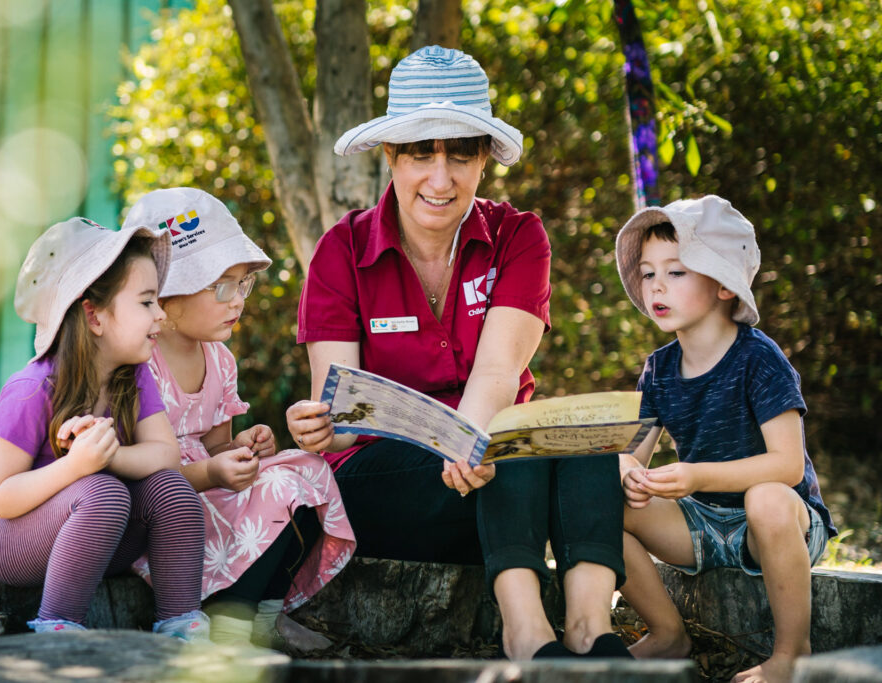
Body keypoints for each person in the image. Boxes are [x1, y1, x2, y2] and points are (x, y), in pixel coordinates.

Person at [285, 45, 630, 660]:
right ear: (391, 155)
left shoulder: (520, 236)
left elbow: (499, 371)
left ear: (483, 161)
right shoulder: (341, 250)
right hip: (387, 488)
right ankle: (526, 634)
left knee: (578, 437)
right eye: (421, 152)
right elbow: (340, 420)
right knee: (509, 444)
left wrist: (467, 441)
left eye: (460, 153)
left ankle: (591, 633)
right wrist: (316, 426)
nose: (439, 178)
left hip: (493, 481)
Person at [614, 195, 837, 682]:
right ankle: (669, 634)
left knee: (767, 499)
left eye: (675, 272)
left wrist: (696, 475)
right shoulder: (659, 369)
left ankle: (790, 655)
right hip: (700, 523)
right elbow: (632, 453)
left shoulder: (758, 359)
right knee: (602, 500)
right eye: (648, 273)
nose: (656, 286)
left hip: (777, 526)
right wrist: (631, 475)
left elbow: (787, 466)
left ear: (722, 285)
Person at [122, 188, 355, 650]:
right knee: (274, 491)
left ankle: (264, 614)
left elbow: (215, 448)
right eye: (221, 287)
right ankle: (231, 621)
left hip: (209, 486)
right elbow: (144, 474)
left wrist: (244, 448)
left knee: (306, 471)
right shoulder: (139, 365)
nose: (237, 302)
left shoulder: (220, 360)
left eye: (243, 285)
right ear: (165, 298)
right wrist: (213, 471)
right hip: (164, 504)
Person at [0, 217, 209, 640]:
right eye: (147, 302)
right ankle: (59, 630)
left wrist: (108, 455)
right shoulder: (32, 390)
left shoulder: (133, 376)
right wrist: (78, 466)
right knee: (105, 491)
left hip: (97, 532)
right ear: (94, 316)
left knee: (173, 490)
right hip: (6, 542)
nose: (161, 314)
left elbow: (165, 454)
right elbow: (1, 499)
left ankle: (180, 625)